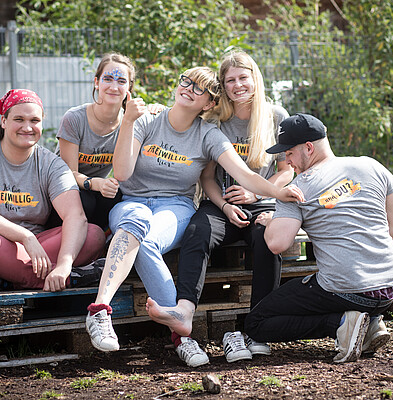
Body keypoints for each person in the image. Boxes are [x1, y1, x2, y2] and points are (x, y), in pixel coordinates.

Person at [83, 67, 305, 367]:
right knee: (132, 221)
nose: (188, 88)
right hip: (133, 200)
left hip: (175, 205)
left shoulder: (208, 134)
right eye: (185, 82)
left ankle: (182, 331)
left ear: (209, 104)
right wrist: (129, 123)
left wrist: (279, 194)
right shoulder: (147, 119)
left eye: (198, 88)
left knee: (146, 242)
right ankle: (101, 311)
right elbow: (121, 173)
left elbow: (243, 174)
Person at [146, 51, 293, 364]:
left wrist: (255, 196)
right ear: (223, 87)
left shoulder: (276, 116)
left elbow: (287, 169)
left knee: (267, 240)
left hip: (263, 203)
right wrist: (225, 206)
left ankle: (258, 328)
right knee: (197, 230)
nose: (238, 85)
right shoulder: (216, 122)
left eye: (243, 78)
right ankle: (184, 312)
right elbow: (208, 177)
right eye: (230, 81)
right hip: (221, 205)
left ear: (255, 78)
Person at [244, 113, 393, 363]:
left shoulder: (299, 188)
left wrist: (273, 220)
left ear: (308, 148)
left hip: (346, 290)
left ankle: (341, 324)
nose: (287, 162)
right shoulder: (370, 164)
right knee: (336, 288)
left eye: (289, 153)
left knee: (256, 322)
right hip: (390, 286)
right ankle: (371, 321)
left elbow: (276, 243)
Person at [0, 89, 106, 293]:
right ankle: (69, 280)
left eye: (34, 120)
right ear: (3, 121)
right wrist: (25, 237)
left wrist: (65, 264)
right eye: (19, 119)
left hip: (32, 253)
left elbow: (75, 216)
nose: (27, 127)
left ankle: (4, 282)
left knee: (93, 235)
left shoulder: (51, 165)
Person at [51, 52, 134, 232]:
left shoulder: (129, 122)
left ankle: (100, 249)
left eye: (121, 81)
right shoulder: (74, 118)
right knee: (85, 201)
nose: (114, 86)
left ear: (129, 87)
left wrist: (155, 108)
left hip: (97, 189)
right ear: (97, 82)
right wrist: (94, 183)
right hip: (64, 187)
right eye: (108, 79)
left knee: (116, 197)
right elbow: (68, 173)